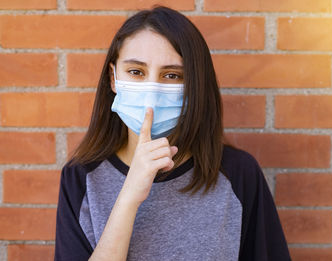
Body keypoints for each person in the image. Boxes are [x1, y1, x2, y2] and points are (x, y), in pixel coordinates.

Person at [54, 6, 291, 261]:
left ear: (194, 85)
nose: (152, 91)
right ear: (113, 78)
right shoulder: (82, 177)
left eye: (172, 75)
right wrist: (129, 196)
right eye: (136, 72)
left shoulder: (237, 174)